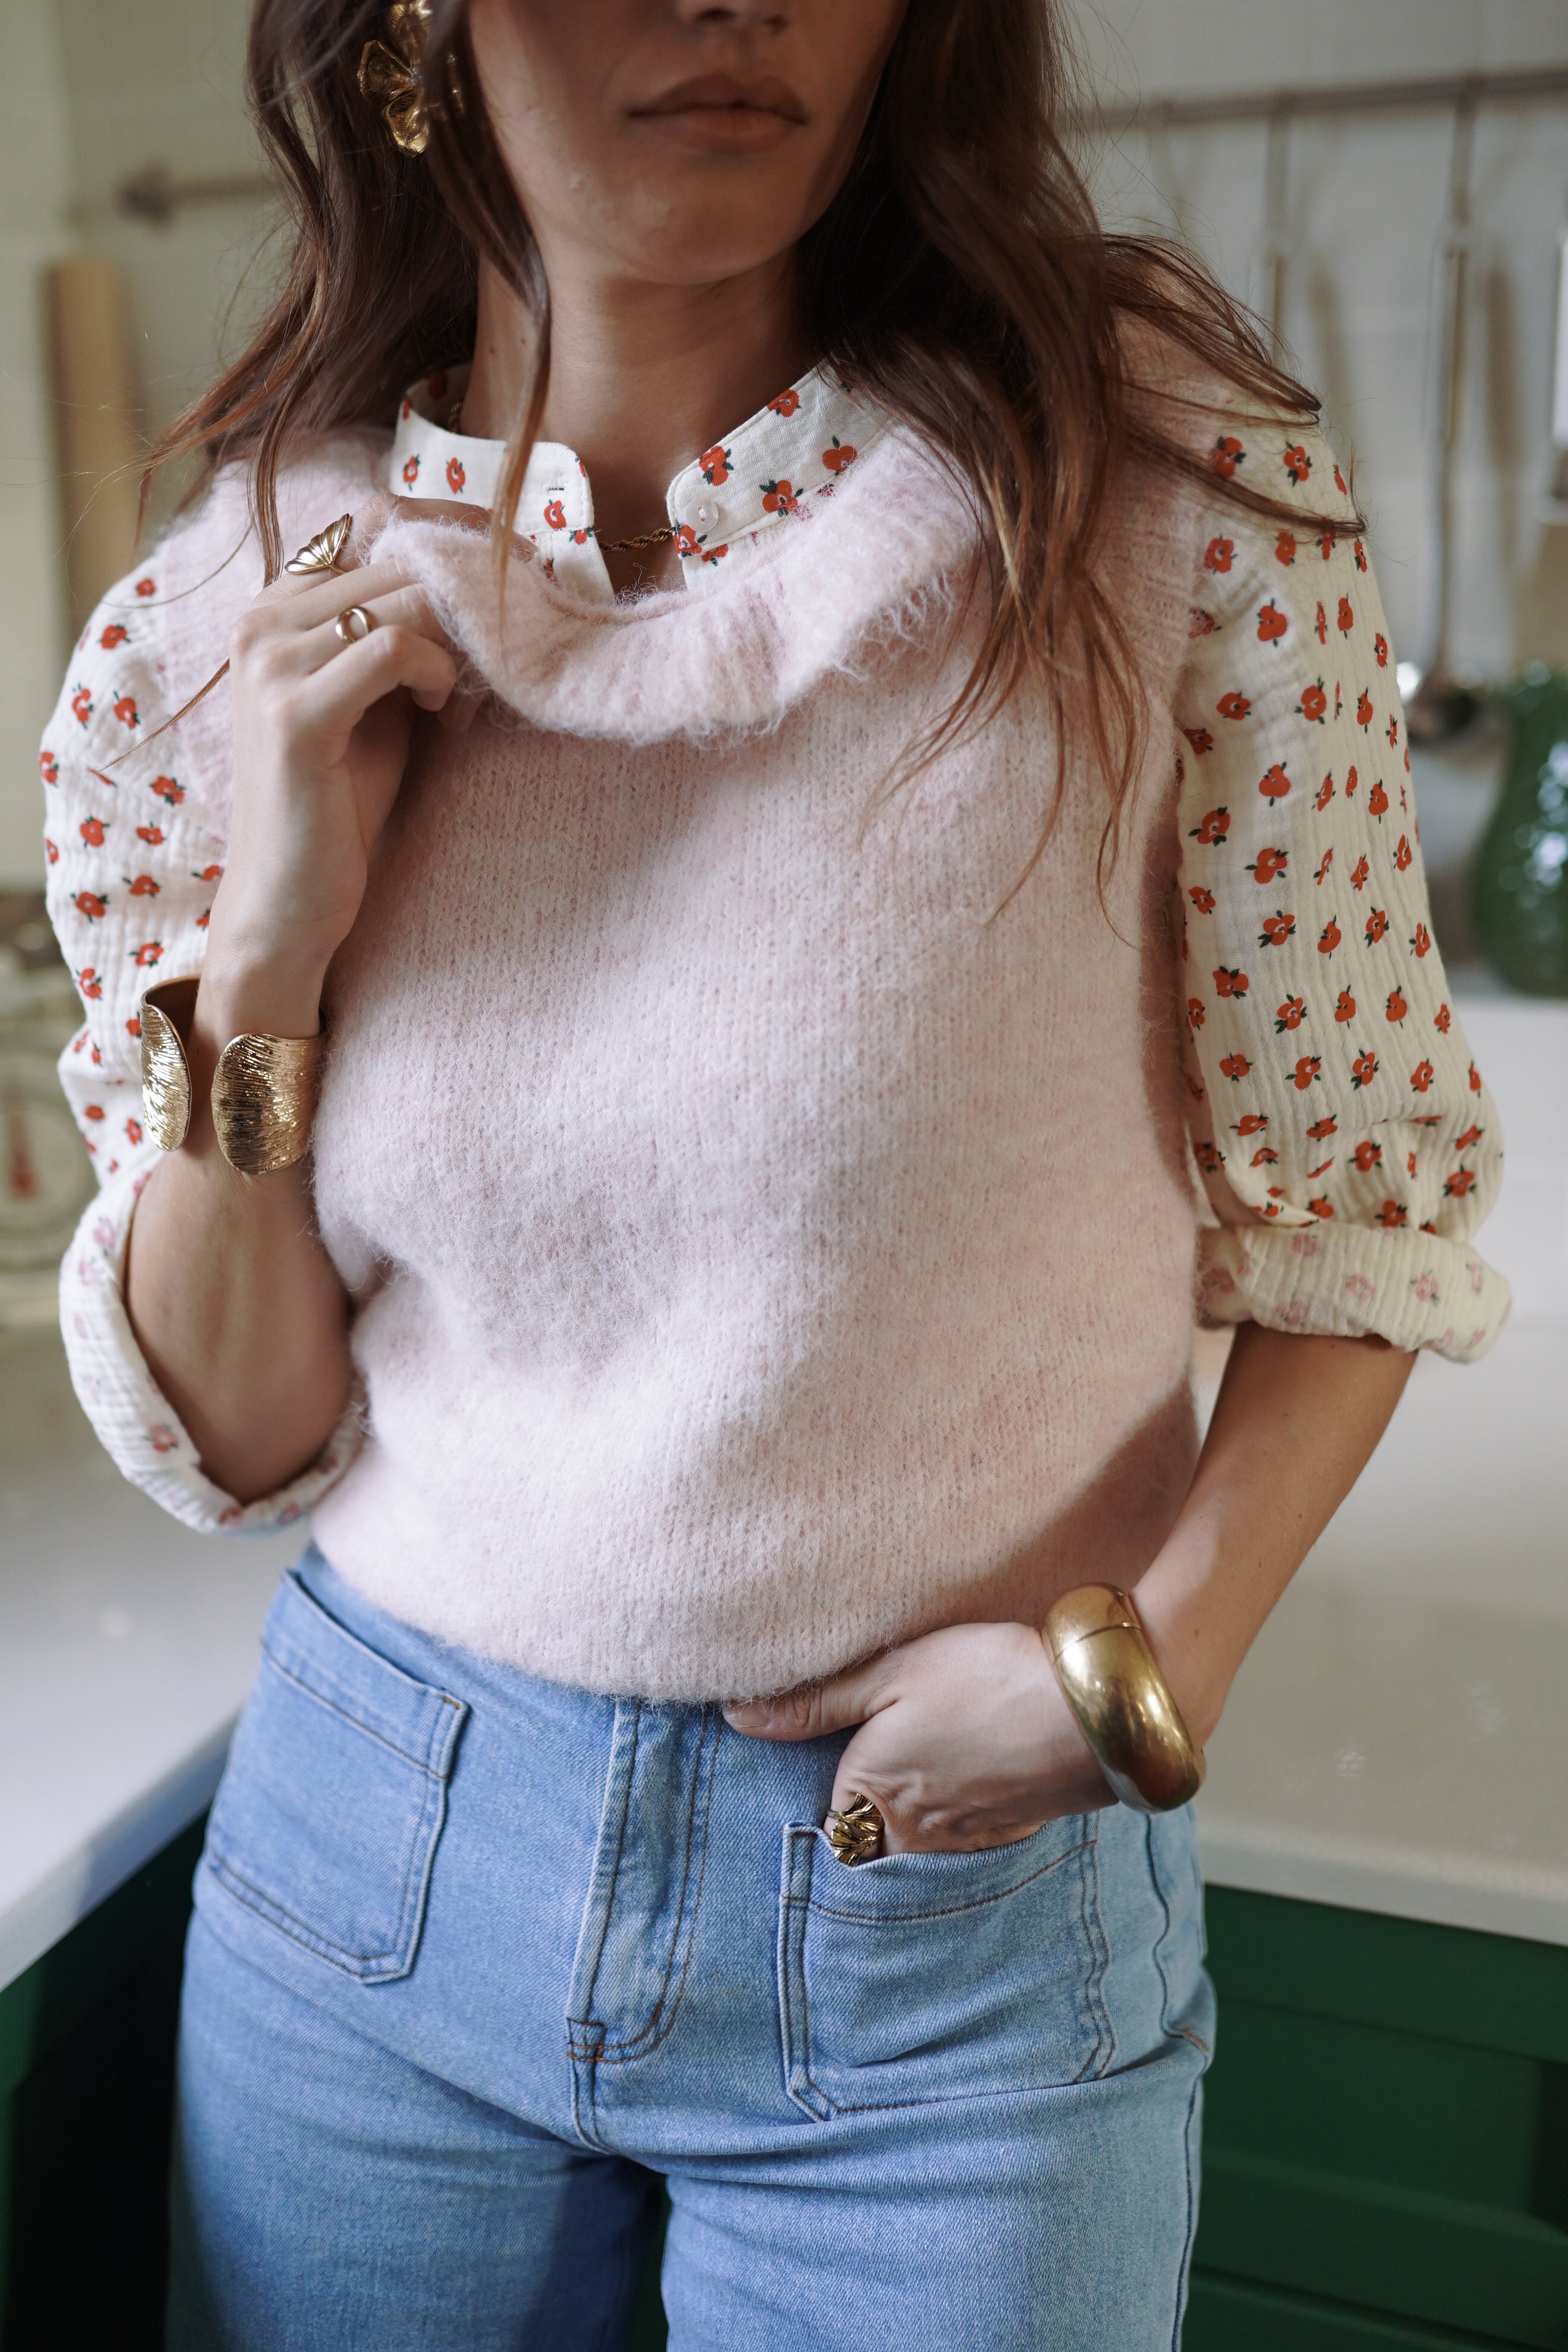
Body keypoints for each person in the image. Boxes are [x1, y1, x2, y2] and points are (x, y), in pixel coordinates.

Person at [42, 0, 1508, 2344]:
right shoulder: (231, 618)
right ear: (412, 29)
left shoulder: (1154, 490)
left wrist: (1142, 1672)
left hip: (953, 1942)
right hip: (375, 1882)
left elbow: (1363, 1196)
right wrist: (272, 938)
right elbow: (237, 1434)